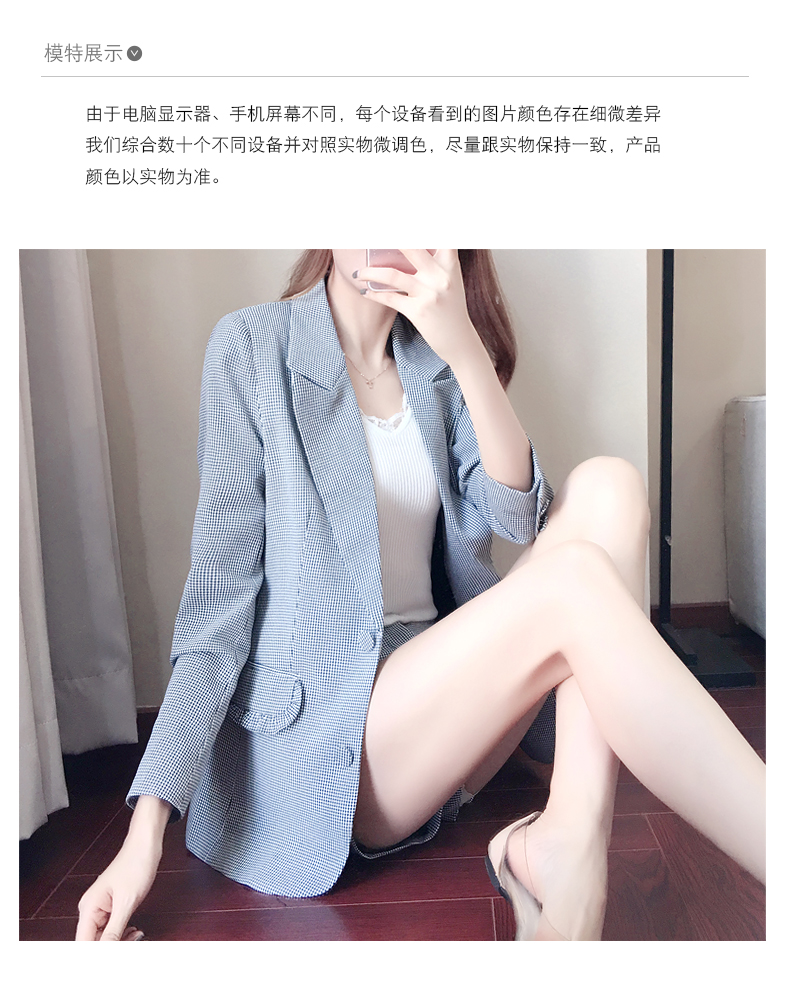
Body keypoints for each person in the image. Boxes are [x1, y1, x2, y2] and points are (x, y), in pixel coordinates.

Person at [75, 249, 765, 942]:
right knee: (577, 579)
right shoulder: (252, 347)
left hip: (438, 700)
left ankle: (570, 839)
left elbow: (515, 517)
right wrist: (144, 834)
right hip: (331, 735)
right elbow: (217, 606)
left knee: (610, 485)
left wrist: (464, 347)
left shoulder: (433, 359)